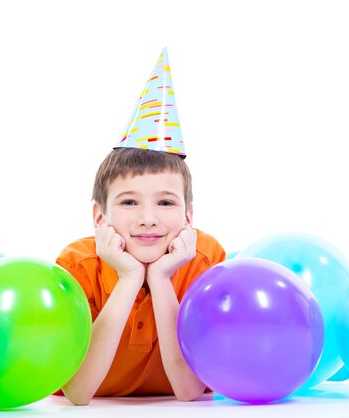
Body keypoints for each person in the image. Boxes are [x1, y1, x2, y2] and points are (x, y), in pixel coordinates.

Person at [56, 48, 225, 405]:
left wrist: (161, 279)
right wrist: (129, 278)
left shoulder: (205, 262)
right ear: (99, 218)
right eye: (129, 202)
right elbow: (79, 392)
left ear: (188, 217)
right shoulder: (77, 266)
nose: (148, 218)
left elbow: (189, 391)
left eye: (165, 202)